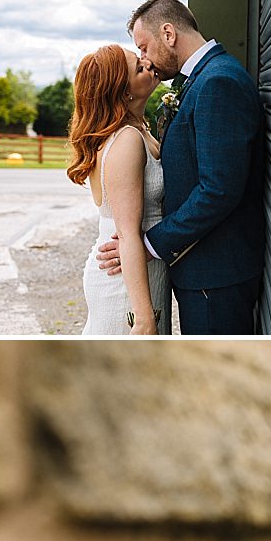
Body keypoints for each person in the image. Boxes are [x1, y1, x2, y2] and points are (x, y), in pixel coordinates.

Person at [95, 0, 265, 334]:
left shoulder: (218, 82)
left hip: (216, 273)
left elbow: (218, 189)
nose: (144, 59)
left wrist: (150, 243)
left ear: (169, 34)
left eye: (143, 47)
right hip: (201, 269)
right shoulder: (202, 79)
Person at [68, 45, 170, 335]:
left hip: (141, 270)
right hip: (122, 280)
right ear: (124, 92)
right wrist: (143, 318)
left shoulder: (139, 129)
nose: (148, 64)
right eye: (138, 67)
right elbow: (126, 234)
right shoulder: (125, 140)